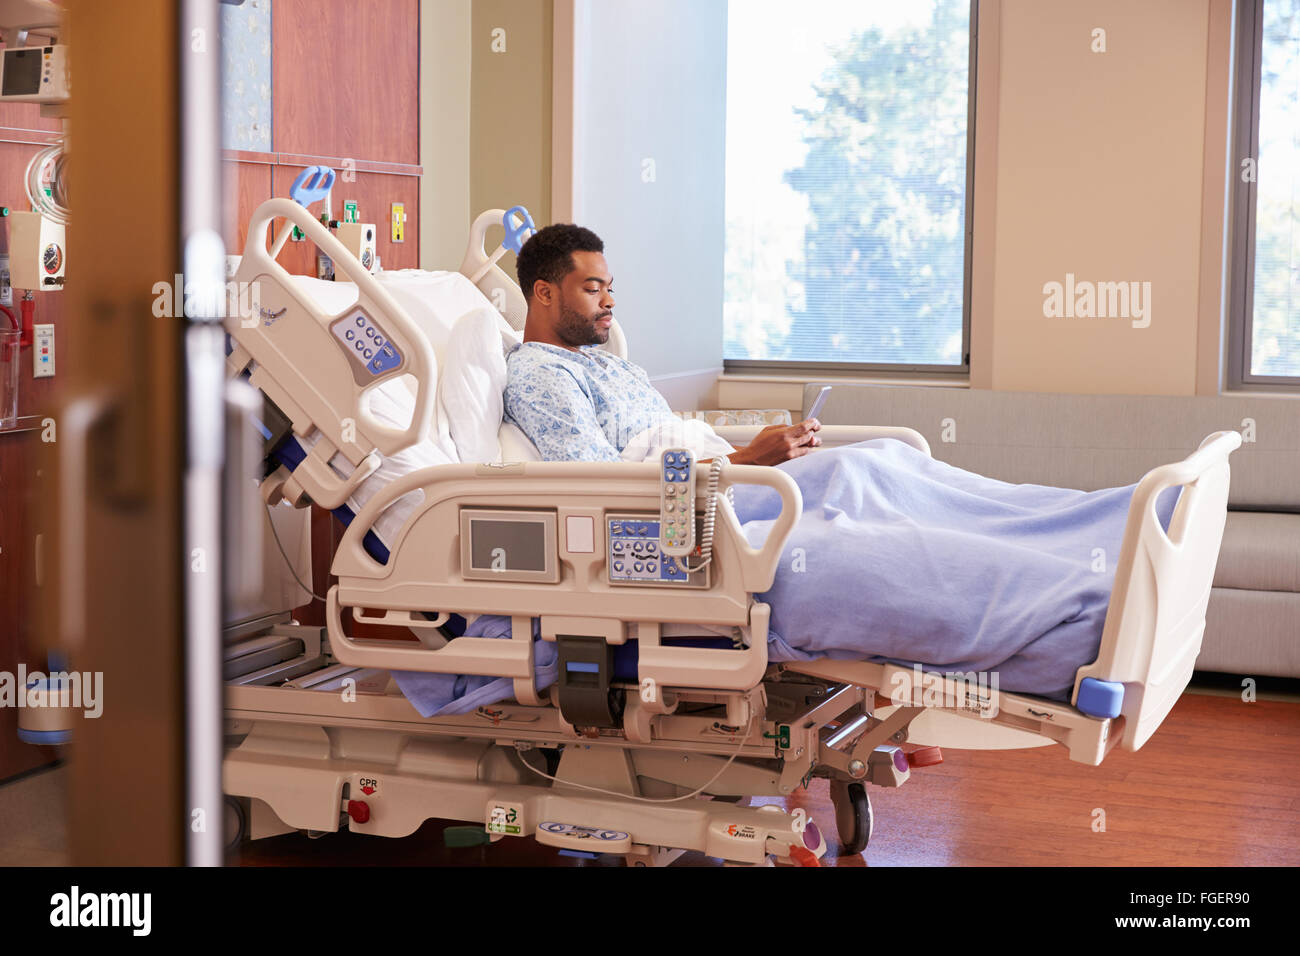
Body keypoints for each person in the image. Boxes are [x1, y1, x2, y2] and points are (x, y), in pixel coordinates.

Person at [504, 223, 821, 465]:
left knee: (865, 460)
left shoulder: (609, 364)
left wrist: (769, 451)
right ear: (545, 293)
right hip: (701, 502)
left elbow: (684, 451)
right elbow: (601, 481)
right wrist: (750, 459)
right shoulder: (543, 373)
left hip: (730, 478)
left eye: (610, 289)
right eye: (592, 289)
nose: (609, 301)